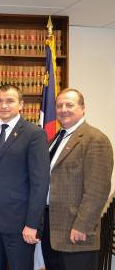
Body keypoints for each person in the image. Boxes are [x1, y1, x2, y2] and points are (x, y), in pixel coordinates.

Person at [0, 84, 50, 270]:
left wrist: (32, 224)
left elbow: (40, 183)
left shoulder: (34, 134)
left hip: (19, 224)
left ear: (21, 104)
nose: (4, 105)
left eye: (10, 101)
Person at [41, 88, 113, 270]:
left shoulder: (95, 139)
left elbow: (98, 189)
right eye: (59, 106)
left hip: (76, 231)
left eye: (69, 105)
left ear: (83, 108)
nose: (63, 109)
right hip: (52, 229)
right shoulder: (57, 138)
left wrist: (83, 226)